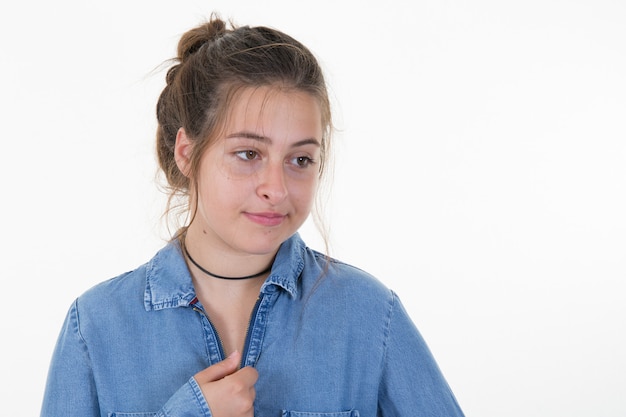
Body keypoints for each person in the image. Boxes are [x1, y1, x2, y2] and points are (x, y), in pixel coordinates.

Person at [40, 14, 465, 417]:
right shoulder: (94, 328)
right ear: (188, 153)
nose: (276, 189)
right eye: (248, 154)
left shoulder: (371, 315)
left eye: (300, 160)